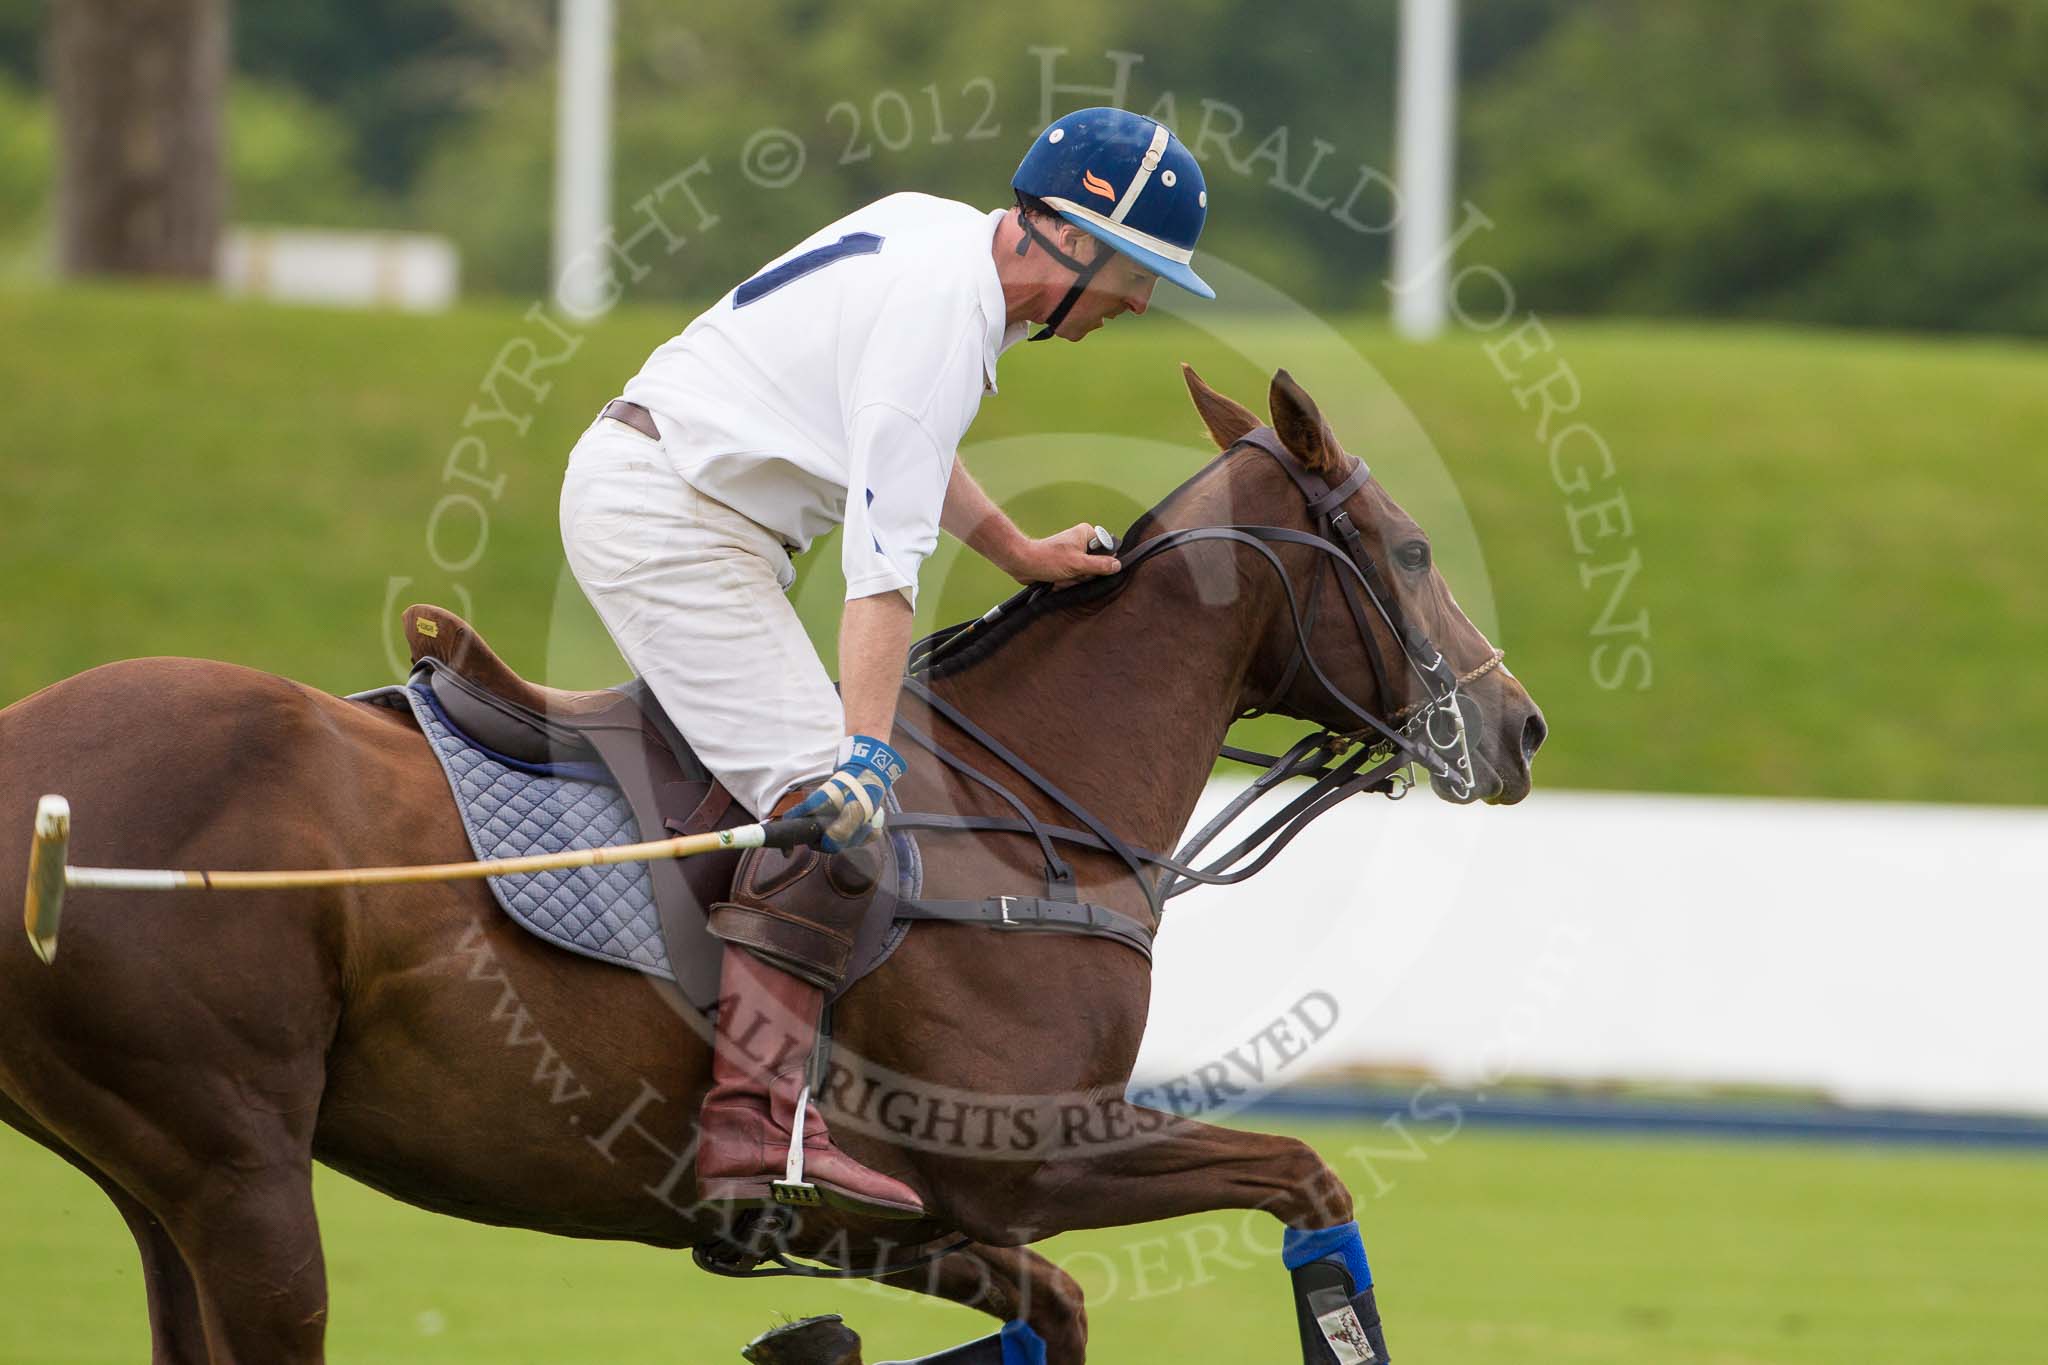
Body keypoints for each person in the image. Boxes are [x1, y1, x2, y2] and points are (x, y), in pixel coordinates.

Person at [560, 107, 1213, 1220]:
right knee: (832, 813)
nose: (1140, 301)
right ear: (1063, 236)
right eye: (1136, 269)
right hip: (671, 519)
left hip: (684, 499)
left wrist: (1012, 550)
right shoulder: (938, 315)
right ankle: (757, 1134)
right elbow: (881, 570)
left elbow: (899, 438)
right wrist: (860, 759)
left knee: (844, 796)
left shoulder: (937, 243)